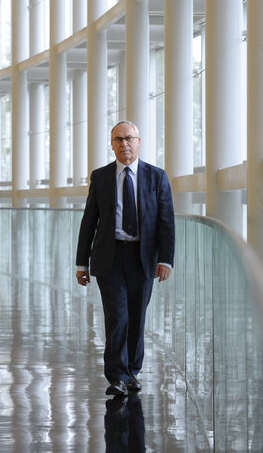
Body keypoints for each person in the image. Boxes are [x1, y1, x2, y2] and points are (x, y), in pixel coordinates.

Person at [75, 120, 175, 397]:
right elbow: (89, 222)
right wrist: (81, 263)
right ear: (112, 144)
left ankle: (132, 371)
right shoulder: (102, 176)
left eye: (129, 138)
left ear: (139, 142)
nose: (124, 144)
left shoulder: (157, 177)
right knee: (117, 317)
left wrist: (166, 259)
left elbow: (166, 221)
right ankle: (117, 375)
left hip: (143, 257)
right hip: (110, 257)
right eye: (118, 139)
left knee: (136, 316)